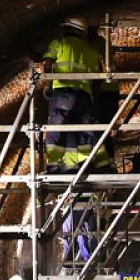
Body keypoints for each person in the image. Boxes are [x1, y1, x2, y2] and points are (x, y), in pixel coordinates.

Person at [39, 16, 112, 172]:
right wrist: (93, 97)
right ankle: (88, 164)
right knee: (85, 129)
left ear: (68, 29)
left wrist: (49, 86)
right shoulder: (92, 51)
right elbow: (99, 77)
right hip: (84, 95)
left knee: (59, 127)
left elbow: (47, 64)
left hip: (62, 93)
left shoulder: (59, 43)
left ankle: (54, 164)